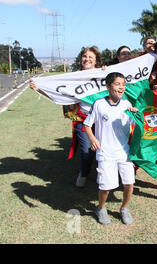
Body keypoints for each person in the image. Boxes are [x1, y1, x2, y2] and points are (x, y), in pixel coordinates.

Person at [30, 46, 102, 187]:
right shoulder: (73, 78)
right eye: (84, 56)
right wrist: (38, 88)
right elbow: (58, 94)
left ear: (96, 61)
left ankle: (103, 176)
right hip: (83, 120)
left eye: (90, 57)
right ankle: (84, 173)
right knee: (87, 150)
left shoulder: (102, 74)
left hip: (102, 121)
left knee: (105, 150)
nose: (87, 59)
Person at [84, 72, 138, 225]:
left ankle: (124, 208)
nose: (121, 87)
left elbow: (136, 126)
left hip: (123, 151)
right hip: (105, 152)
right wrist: (93, 139)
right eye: (117, 84)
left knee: (129, 184)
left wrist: (136, 115)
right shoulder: (99, 104)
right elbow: (87, 125)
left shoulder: (127, 105)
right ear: (108, 86)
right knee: (106, 187)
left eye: (123, 84)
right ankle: (101, 208)